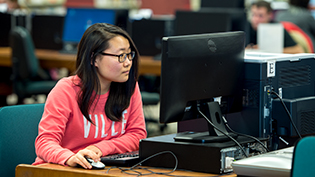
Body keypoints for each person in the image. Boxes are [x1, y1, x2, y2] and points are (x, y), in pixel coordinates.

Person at [33, 23, 147, 169]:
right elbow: (45, 142)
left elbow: (137, 135)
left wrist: (100, 148)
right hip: (61, 168)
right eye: (120, 56)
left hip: (103, 167)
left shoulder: (129, 86)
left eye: (129, 54)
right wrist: (69, 157)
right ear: (94, 59)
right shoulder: (66, 90)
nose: (128, 62)